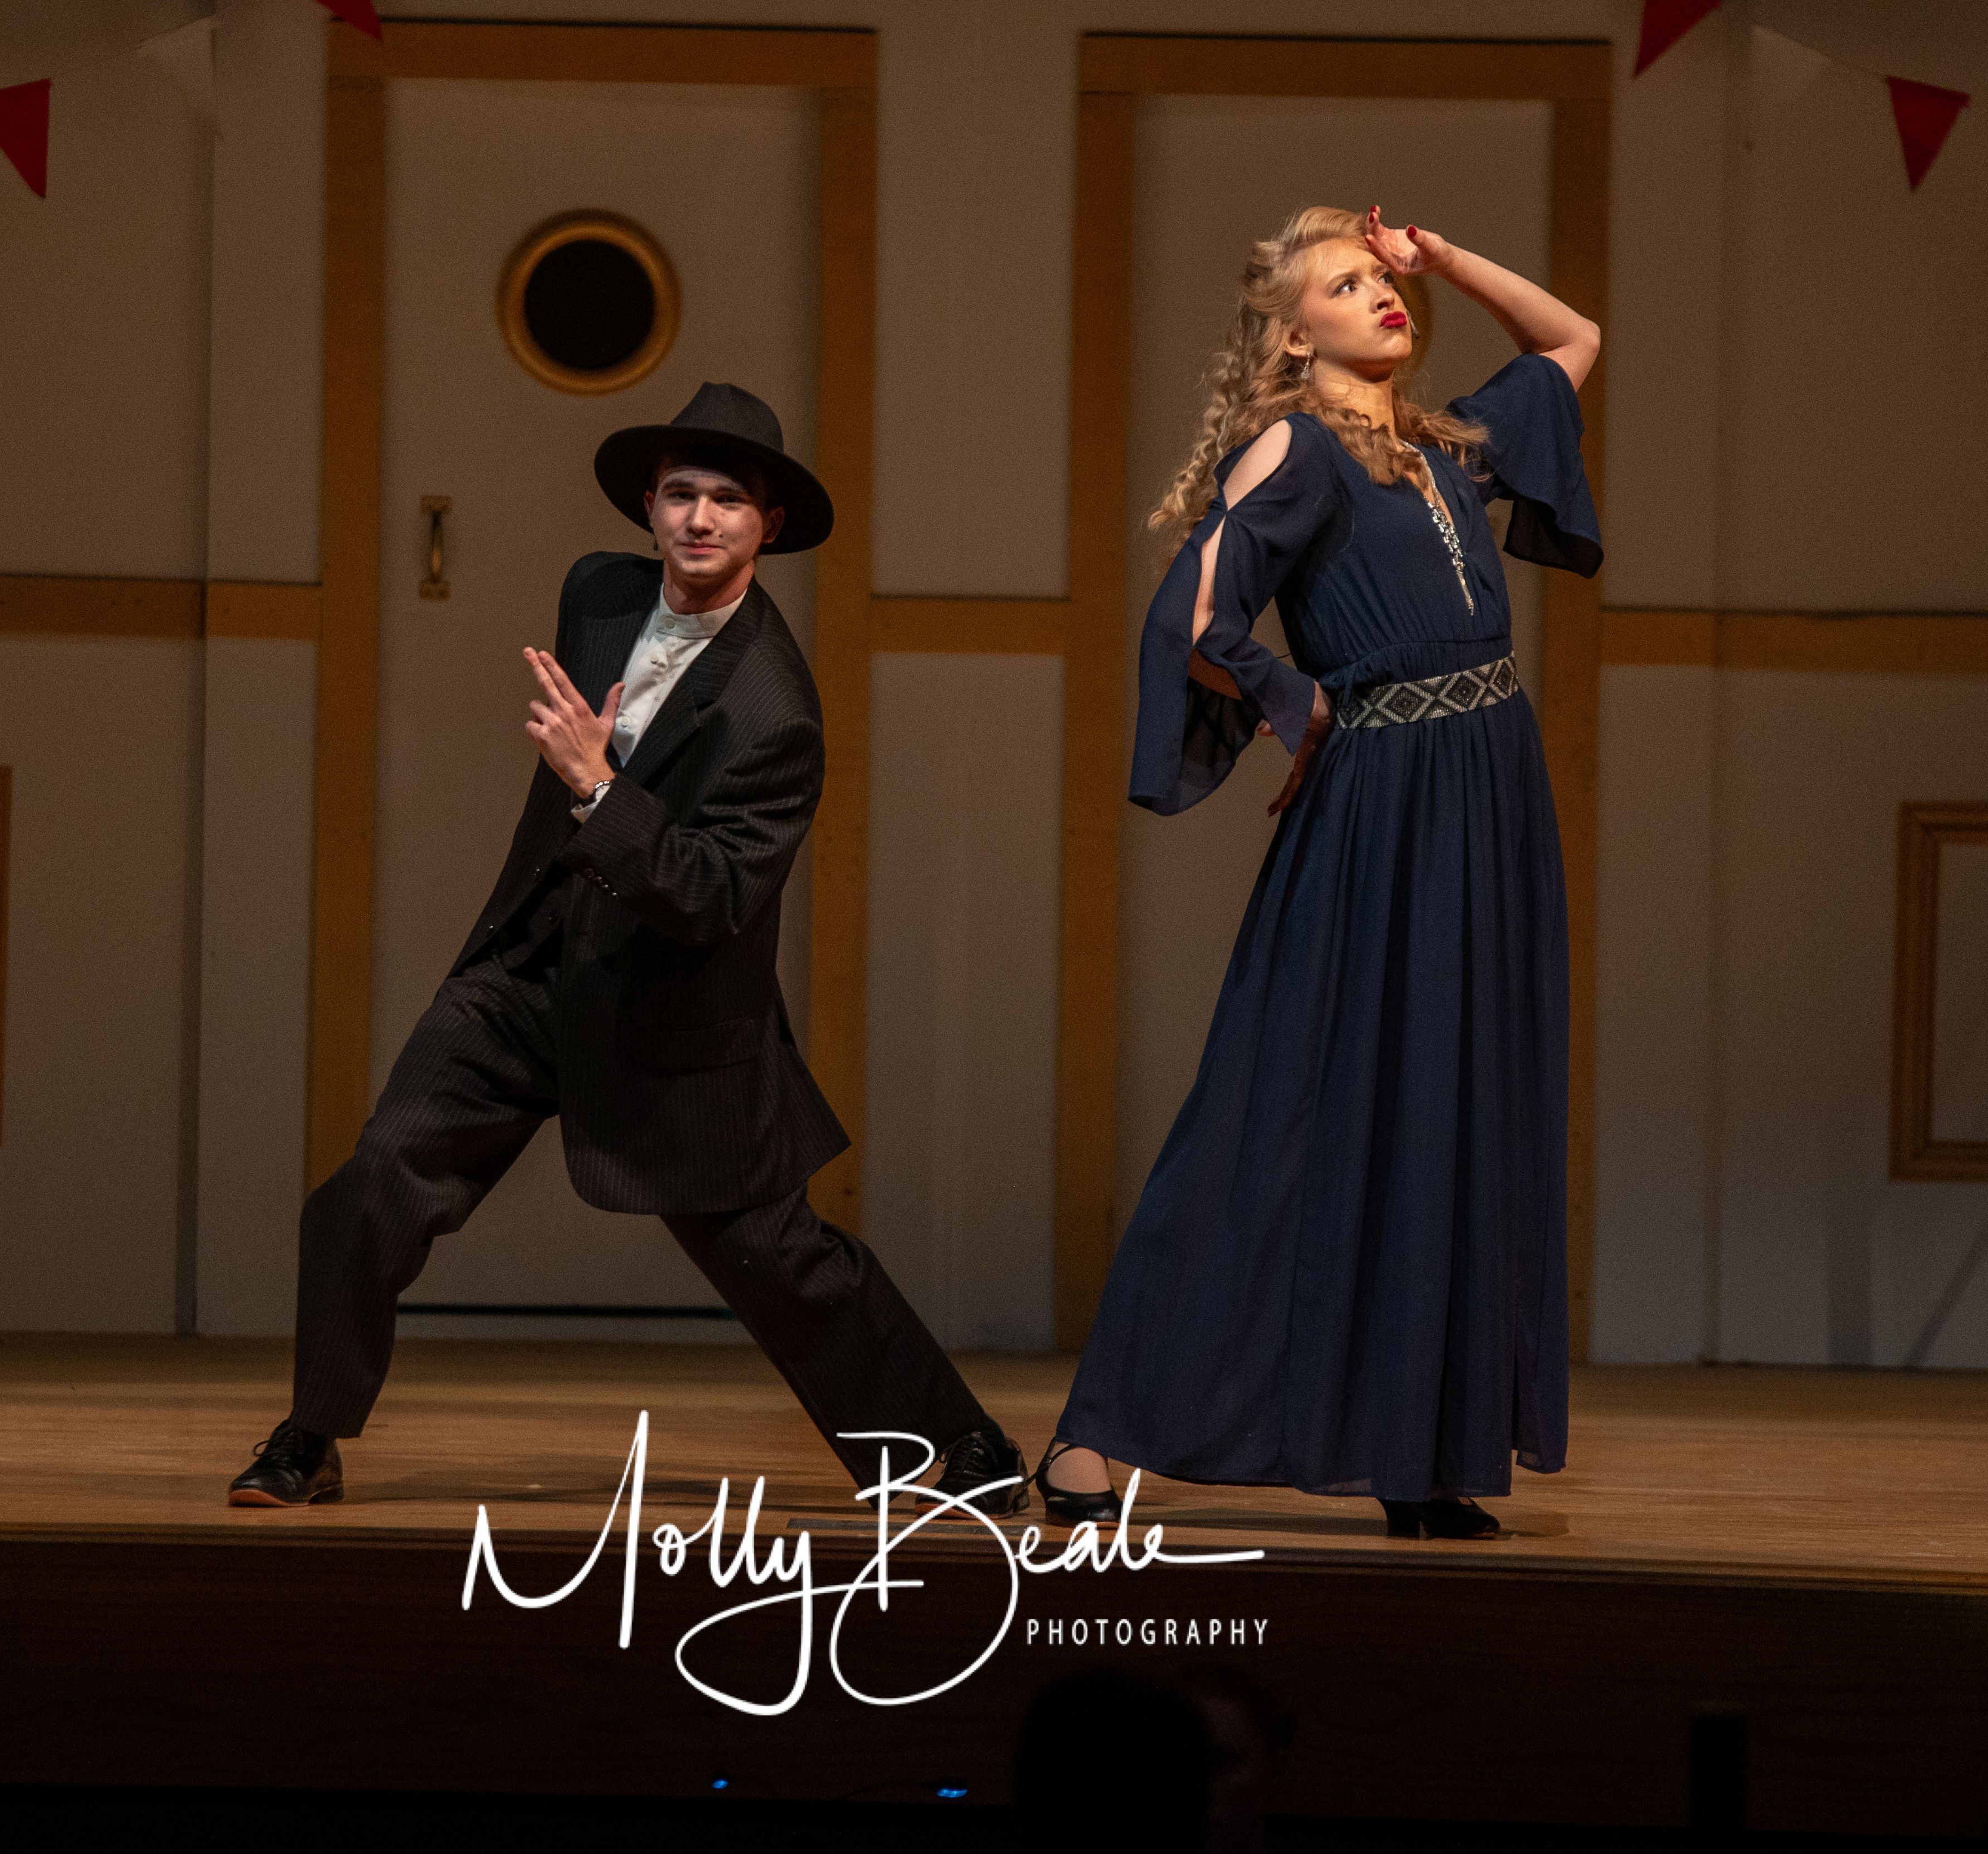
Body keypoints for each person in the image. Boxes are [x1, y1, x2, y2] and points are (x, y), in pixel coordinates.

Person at [229, 381, 1028, 1513]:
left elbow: (711, 896)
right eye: (681, 493)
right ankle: (308, 1437)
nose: (701, 518)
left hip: (672, 1010)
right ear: (649, 507)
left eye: (729, 500)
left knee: (776, 1257)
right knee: (374, 1183)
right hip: (527, 970)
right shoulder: (598, 594)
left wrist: (600, 788)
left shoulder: (776, 710)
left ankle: (960, 1441)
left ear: (769, 527)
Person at [1037, 204, 1600, 1540]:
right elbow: (1193, 614)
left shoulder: (1445, 446)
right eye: (1344, 286)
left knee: (1453, 1109)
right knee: (1278, 1106)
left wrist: (1443, 258)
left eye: (1379, 280)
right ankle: (1094, 1438)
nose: (1380, 297)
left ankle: (1419, 1449)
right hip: (1385, 806)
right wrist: (1299, 703)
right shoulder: (1294, 445)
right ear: (1293, 335)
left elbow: (1573, 338)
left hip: (1488, 795)